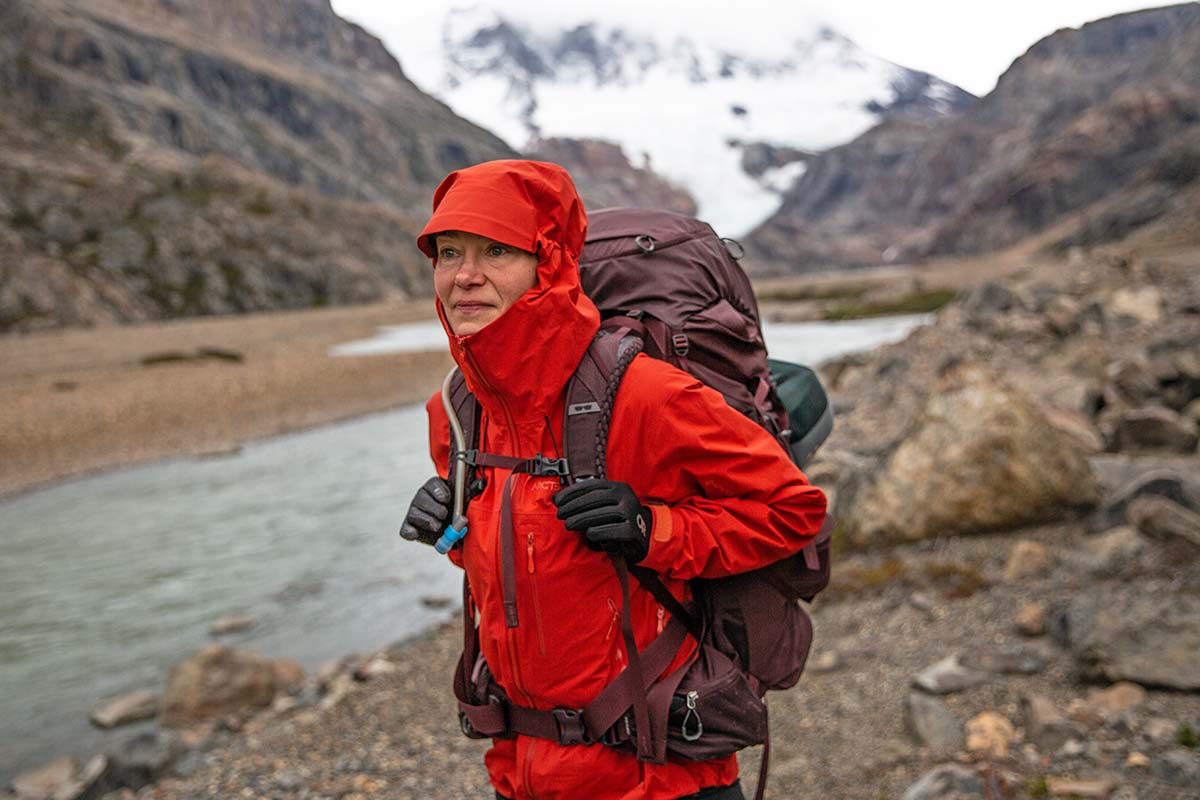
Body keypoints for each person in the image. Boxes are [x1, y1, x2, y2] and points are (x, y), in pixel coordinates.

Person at [399, 159, 827, 800]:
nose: (465, 275)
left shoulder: (643, 392)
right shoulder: (459, 408)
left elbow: (793, 510)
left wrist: (652, 527)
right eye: (449, 251)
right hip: (522, 774)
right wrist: (452, 529)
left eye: (496, 251)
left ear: (548, 263)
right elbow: (527, 562)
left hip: (659, 772)